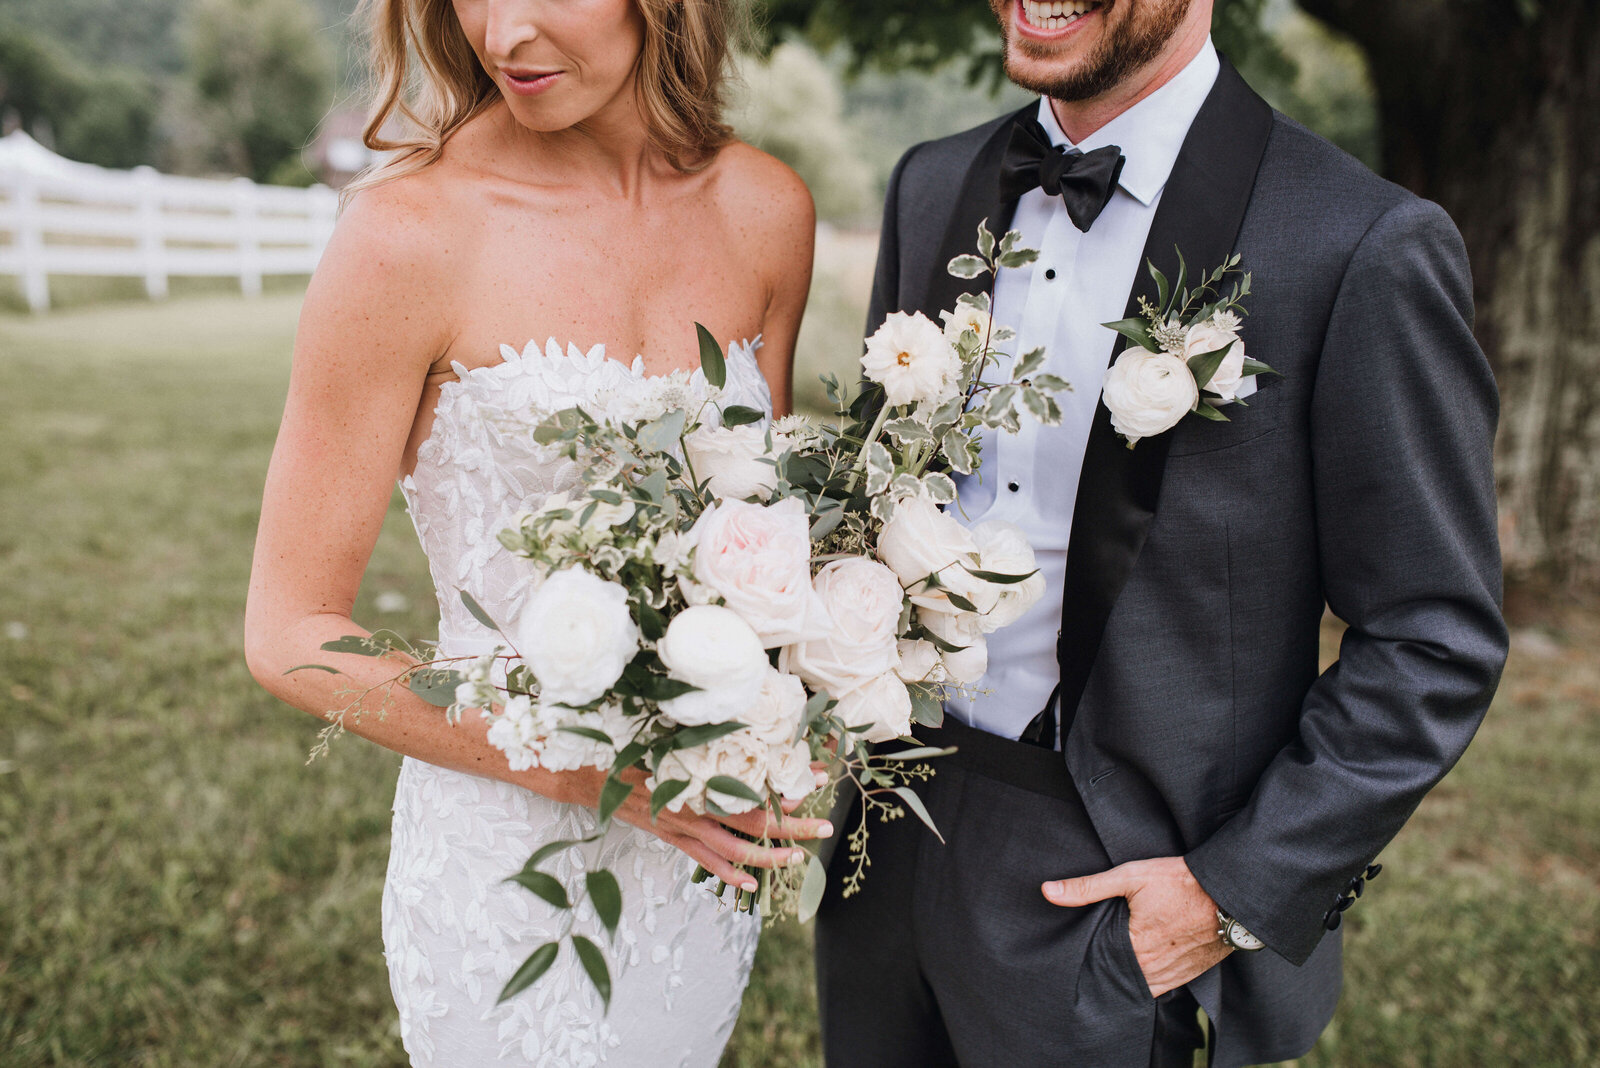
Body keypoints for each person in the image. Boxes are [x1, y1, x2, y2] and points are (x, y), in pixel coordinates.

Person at [815, 1, 1507, 1065]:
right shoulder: (928, 183)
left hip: (1113, 889)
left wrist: (1226, 893)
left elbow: (1433, 637)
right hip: (890, 837)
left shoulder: (1356, 239)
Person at [243, 0, 825, 1063]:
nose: (501, 33)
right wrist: (588, 769)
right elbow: (288, 632)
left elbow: (756, 548)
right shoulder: (405, 236)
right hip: (498, 869)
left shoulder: (765, 210)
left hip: (693, 872)